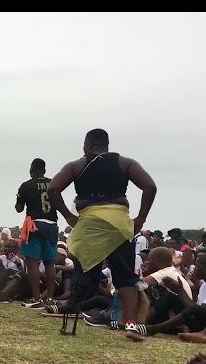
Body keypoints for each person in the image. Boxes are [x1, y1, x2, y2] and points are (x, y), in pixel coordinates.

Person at [48, 128, 157, 341]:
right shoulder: (125, 163)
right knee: (125, 275)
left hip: (90, 225)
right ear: (106, 145)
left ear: (88, 145)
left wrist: (69, 216)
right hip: (119, 226)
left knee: (83, 275)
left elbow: (53, 189)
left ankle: (70, 321)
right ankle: (131, 324)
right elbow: (150, 187)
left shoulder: (76, 165)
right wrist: (141, 218)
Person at [15, 158, 59, 308]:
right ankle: (51, 298)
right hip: (52, 224)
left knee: (32, 262)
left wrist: (18, 200)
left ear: (31, 171)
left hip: (34, 224)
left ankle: (36, 298)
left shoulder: (26, 186)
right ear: (44, 171)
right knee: (49, 263)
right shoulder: (53, 183)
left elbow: (19, 208)